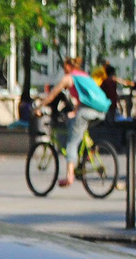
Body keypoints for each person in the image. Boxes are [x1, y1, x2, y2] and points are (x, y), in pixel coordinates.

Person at [35, 57, 109, 187]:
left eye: (64, 67)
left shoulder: (69, 78)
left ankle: (69, 176)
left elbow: (52, 95)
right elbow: (84, 99)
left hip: (85, 112)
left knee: (71, 143)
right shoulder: (84, 76)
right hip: (100, 111)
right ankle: (89, 152)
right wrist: (74, 112)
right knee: (77, 127)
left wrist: (38, 107)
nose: (64, 70)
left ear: (69, 66)